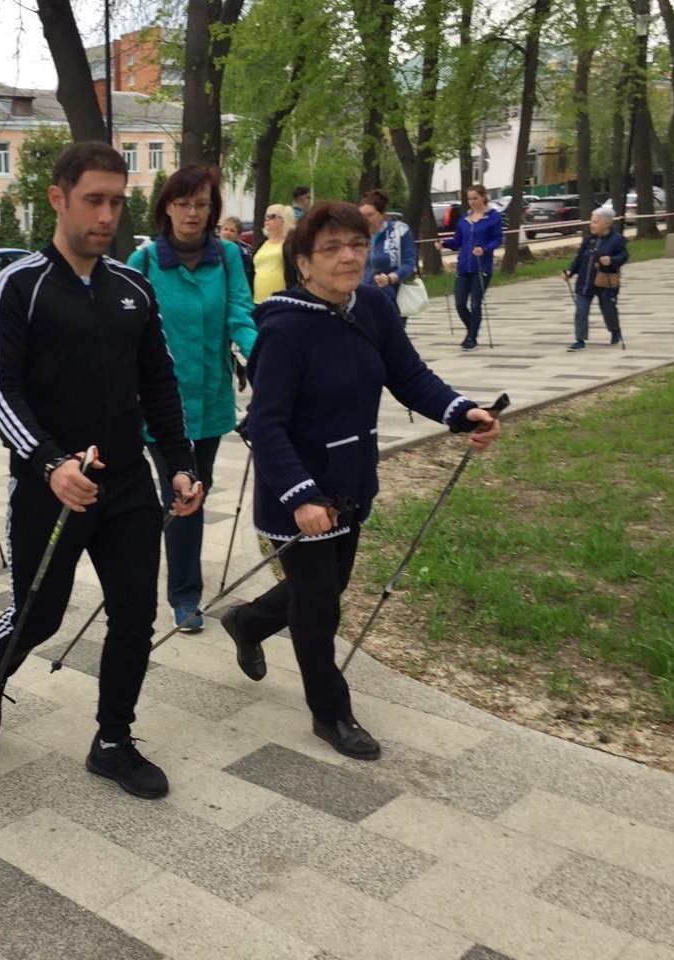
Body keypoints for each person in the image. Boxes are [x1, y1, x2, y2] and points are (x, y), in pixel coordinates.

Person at [220, 201, 502, 761]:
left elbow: (409, 375)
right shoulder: (283, 330)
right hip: (299, 494)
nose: (348, 257)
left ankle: (247, 621)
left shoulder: (371, 305)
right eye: (331, 248)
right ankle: (330, 712)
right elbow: (267, 426)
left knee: (329, 586)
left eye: (356, 244)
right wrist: (301, 496)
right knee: (319, 607)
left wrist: (460, 412)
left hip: (350, 484)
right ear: (304, 262)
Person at [0, 141, 203, 799]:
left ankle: (112, 741)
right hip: (48, 487)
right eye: (93, 201)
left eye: (117, 202)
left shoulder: (133, 287)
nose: (106, 216)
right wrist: (48, 462)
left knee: (134, 613)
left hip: (125, 485)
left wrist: (179, 462)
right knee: (38, 617)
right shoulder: (19, 286)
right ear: (58, 199)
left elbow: (159, 381)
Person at [128, 165, 257, 631]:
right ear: (166, 207)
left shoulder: (227, 256)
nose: (192, 213)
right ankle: (178, 593)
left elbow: (240, 314)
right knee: (179, 493)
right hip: (160, 407)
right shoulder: (143, 261)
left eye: (202, 204)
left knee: (194, 493)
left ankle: (183, 589)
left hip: (210, 402)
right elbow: (125, 329)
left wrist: (263, 359)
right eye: (183, 204)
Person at [437, 183, 504, 350]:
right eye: (469, 199)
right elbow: (458, 240)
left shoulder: (493, 217)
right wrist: (444, 243)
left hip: (481, 267)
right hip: (463, 266)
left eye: (475, 198)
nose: (472, 202)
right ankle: (472, 330)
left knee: (475, 303)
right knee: (460, 303)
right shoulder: (464, 219)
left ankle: (471, 337)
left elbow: (497, 239)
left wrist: (485, 249)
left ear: (483, 197)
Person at [563, 207, 629, 351]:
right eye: (591, 221)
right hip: (585, 282)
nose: (591, 225)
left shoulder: (617, 239)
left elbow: (624, 256)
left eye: (595, 222)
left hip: (605, 283)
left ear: (607, 223)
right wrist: (569, 271)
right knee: (581, 311)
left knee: (608, 310)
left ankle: (615, 330)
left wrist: (611, 260)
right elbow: (579, 258)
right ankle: (580, 339)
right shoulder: (589, 239)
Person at [358, 189, 418, 327]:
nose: (365, 220)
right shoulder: (356, 236)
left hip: (391, 297)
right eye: (361, 216)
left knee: (392, 337)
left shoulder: (399, 231)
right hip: (362, 297)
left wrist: (391, 278)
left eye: (370, 215)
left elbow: (409, 263)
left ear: (382, 215)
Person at [253, 203, 295, 304]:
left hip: (281, 301)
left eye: (271, 216)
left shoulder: (289, 244)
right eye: (266, 216)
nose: (267, 219)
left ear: (283, 220)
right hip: (257, 300)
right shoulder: (261, 244)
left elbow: (293, 272)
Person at [219, 215, 256, 290]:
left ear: (238, 236)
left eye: (232, 230)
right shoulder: (212, 250)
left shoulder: (243, 254)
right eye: (225, 229)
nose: (228, 232)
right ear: (220, 232)